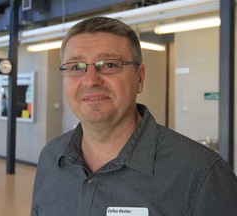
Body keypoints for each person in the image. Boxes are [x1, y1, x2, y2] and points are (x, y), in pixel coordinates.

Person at [31, 17, 237, 216]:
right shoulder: (51, 158)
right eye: (76, 67)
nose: (90, 80)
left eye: (109, 64)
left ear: (139, 78)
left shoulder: (202, 175)